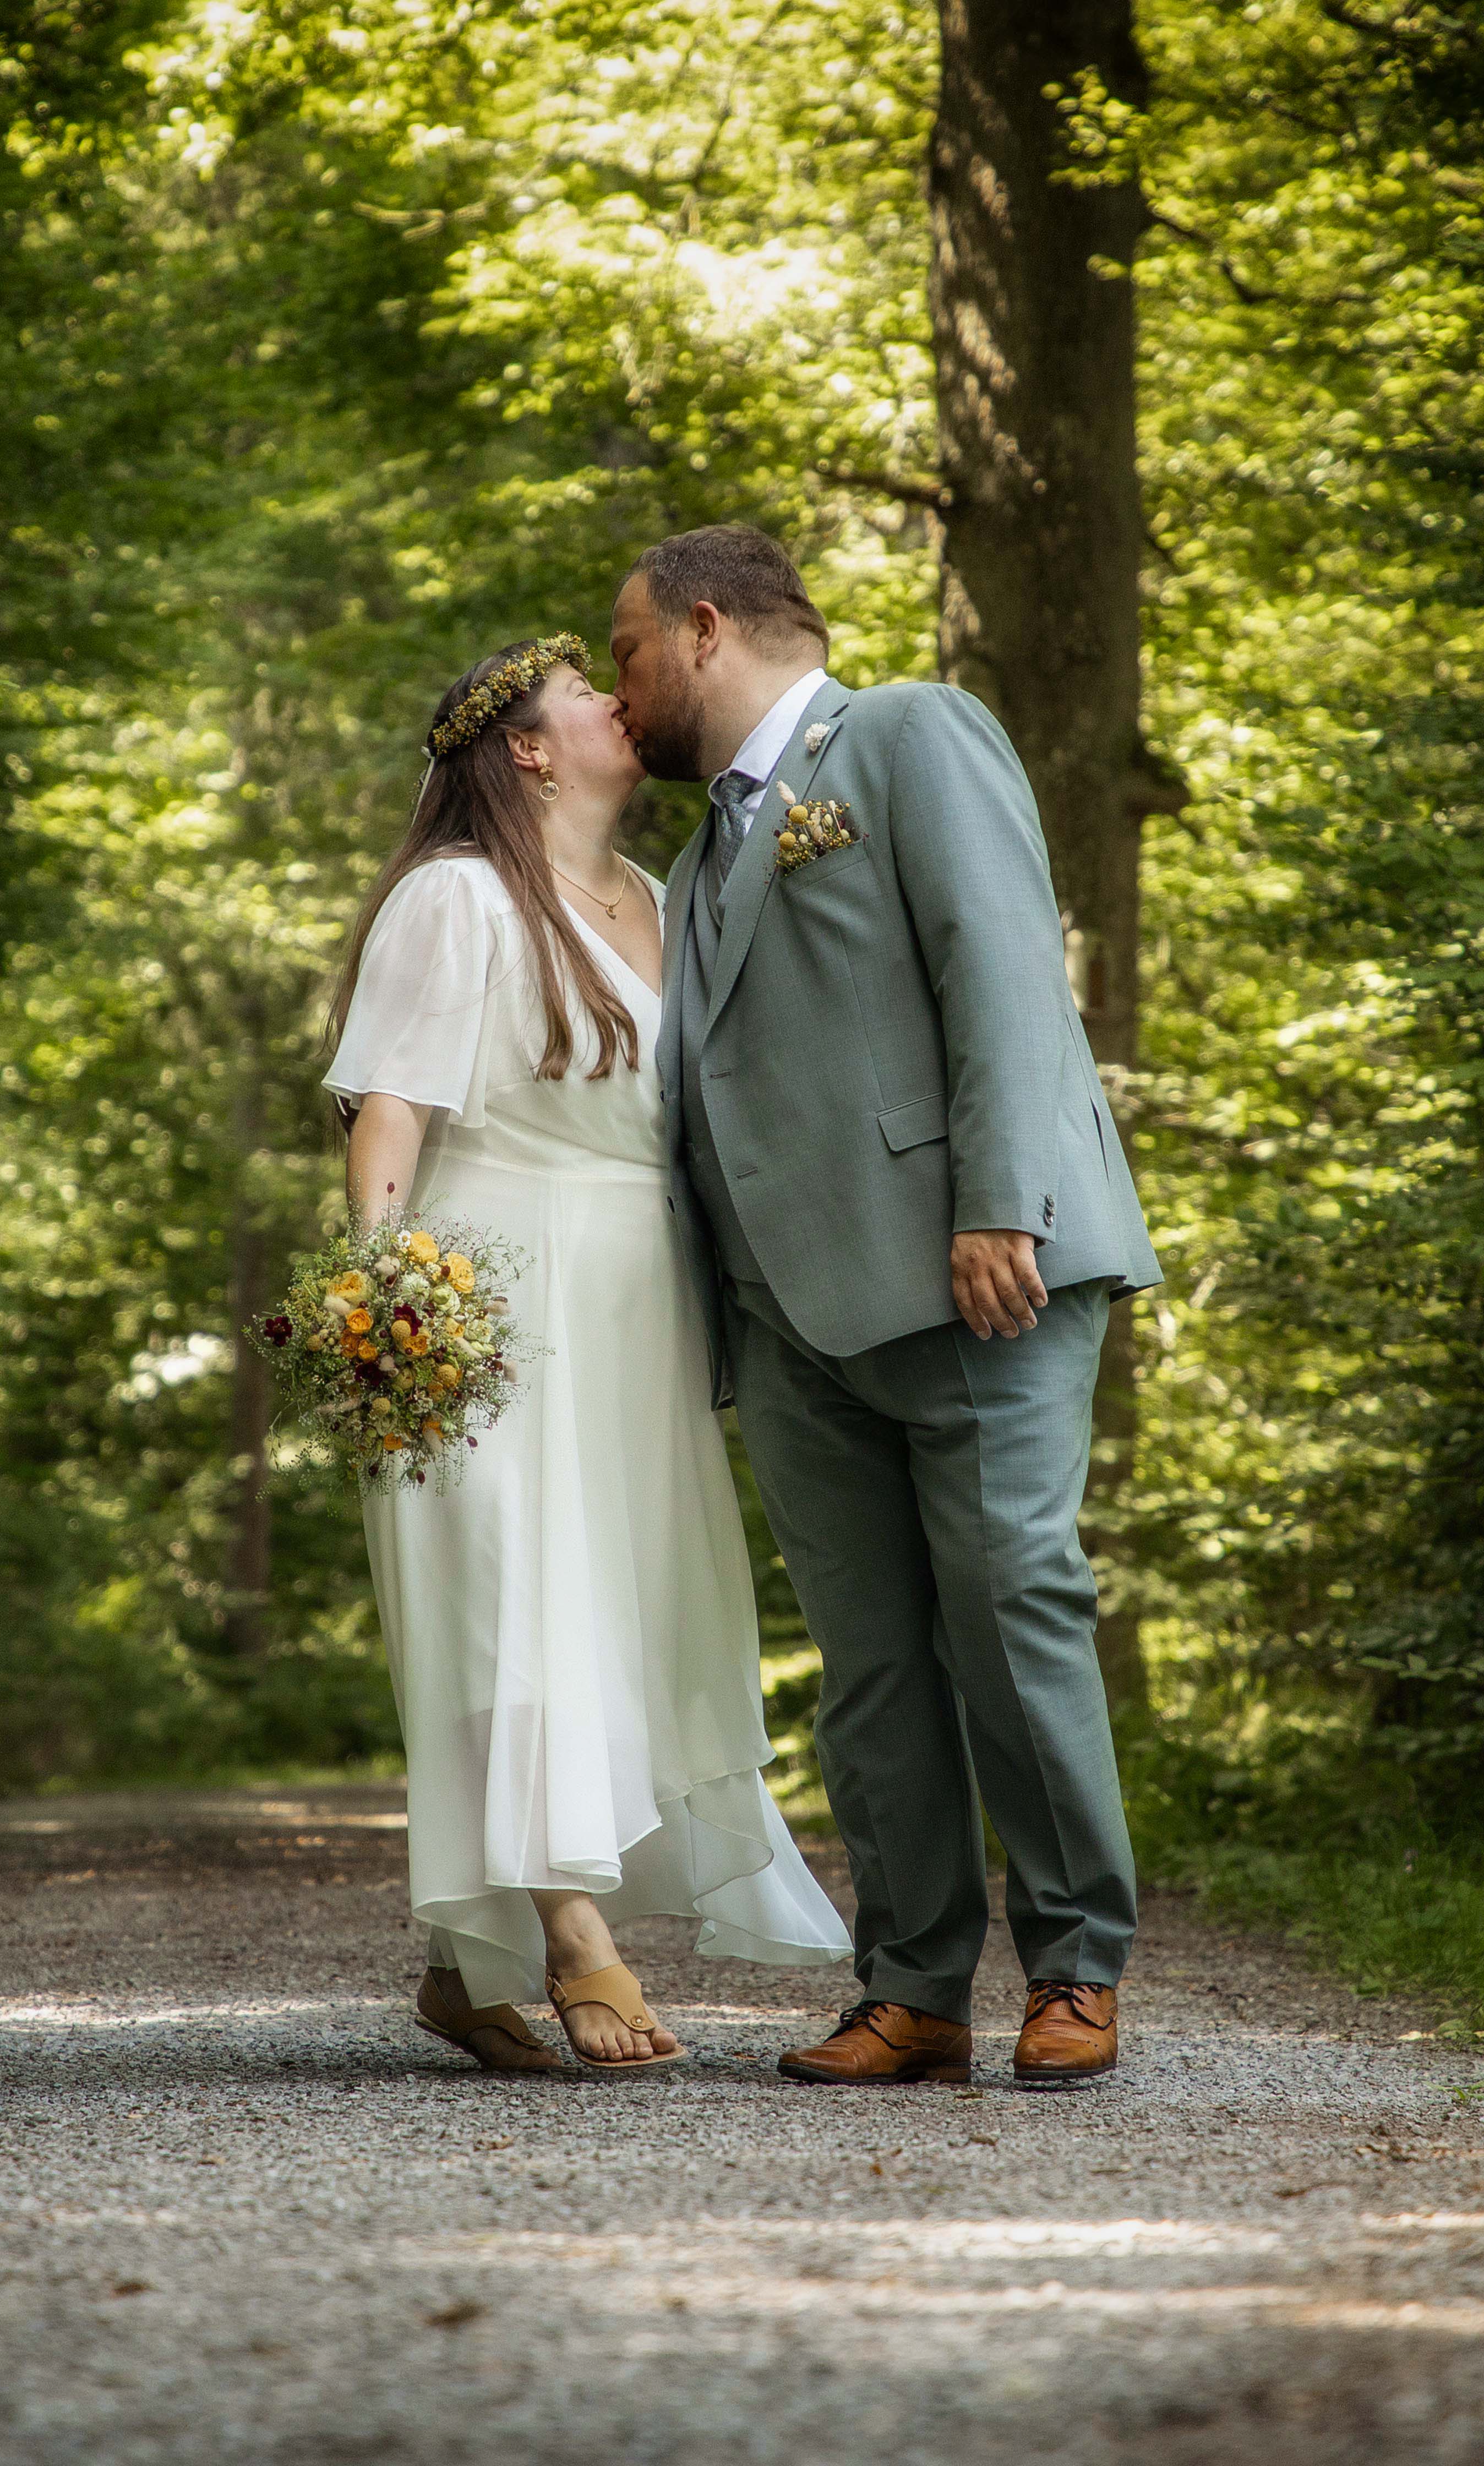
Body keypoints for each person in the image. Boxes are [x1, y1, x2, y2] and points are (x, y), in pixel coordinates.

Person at [613, 525, 1160, 2088]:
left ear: (707, 628)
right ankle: (913, 1987)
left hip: (972, 1270)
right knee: (869, 1665)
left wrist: (1001, 1201)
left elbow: (998, 959)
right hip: (791, 1318)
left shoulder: (909, 729)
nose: (619, 688)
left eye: (630, 650)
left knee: (1012, 1606)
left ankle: (1076, 1965)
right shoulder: (714, 844)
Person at [323, 633, 851, 2075]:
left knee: (604, 1607)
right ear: (529, 752)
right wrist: (388, 1308)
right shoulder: (460, 897)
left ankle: (462, 1963)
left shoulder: (661, 899)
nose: (625, 703)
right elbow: (392, 1112)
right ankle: (574, 1940)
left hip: (641, 1299)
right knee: (511, 1604)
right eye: (586, 697)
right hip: (487, 1291)